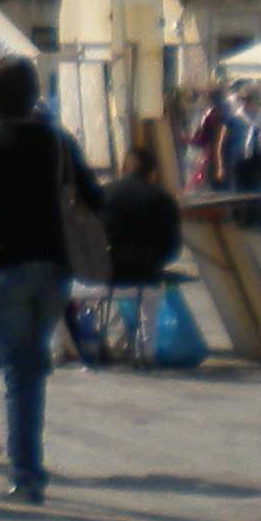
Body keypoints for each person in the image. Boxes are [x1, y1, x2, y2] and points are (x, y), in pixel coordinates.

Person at [0, 55, 99, 507]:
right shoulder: (56, 141)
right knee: (30, 369)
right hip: (51, 263)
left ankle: (26, 472)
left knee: (17, 369)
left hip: (0, 266)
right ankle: (30, 464)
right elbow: (92, 194)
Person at [101, 140, 184, 361]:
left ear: (123, 168)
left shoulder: (103, 193)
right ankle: (146, 353)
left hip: (101, 277)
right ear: (153, 172)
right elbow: (173, 248)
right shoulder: (164, 200)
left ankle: (63, 349)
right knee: (151, 296)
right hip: (147, 276)